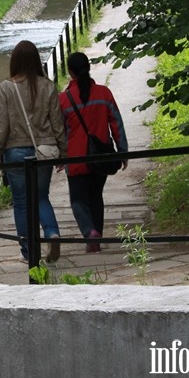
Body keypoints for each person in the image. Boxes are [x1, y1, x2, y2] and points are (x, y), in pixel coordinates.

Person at [0, 40, 67, 263]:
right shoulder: (48, 86)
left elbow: (1, 124)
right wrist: (63, 151)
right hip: (45, 150)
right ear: (35, 60)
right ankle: (52, 232)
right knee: (41, 196)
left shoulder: (6, 87)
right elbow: (57, 123)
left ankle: (28, 251)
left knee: (22, 202)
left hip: (14, 151)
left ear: (14, 61)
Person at [58, 52, 128, 252]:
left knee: (78, 200)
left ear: (70, 72)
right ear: (87, 68)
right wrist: (122, 152)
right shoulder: (104, 93)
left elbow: (60, 132)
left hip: (76, 159)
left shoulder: (63, 100)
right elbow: (117, 123)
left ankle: (90, 233)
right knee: (96, 196)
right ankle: (96, 237)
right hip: (101, 158)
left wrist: (61, 157)